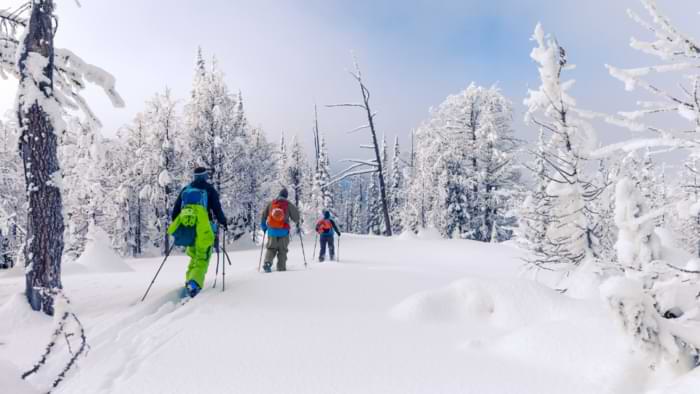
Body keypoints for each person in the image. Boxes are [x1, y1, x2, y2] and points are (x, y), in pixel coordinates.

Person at [170, 167, 227, 297]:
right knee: (203, 256)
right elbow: (217, 209)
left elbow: (175, 212)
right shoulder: (209, 189)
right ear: (205, 175)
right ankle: (194, 283)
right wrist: (223, 222)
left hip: (189, 229)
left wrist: (182, 226)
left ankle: (190, 280)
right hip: (204, 229)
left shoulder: (186, 189)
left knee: (194, 256)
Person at [260, 188, 300, 273]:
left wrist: (264, 227)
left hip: (272, 231)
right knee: (282, 250)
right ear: (286, 196)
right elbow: (296, 218)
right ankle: (281, 268)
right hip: (284, 232)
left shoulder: (272, 203)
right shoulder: (288, 204)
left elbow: (263, 216)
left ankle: (267, 263)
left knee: (271, 248)